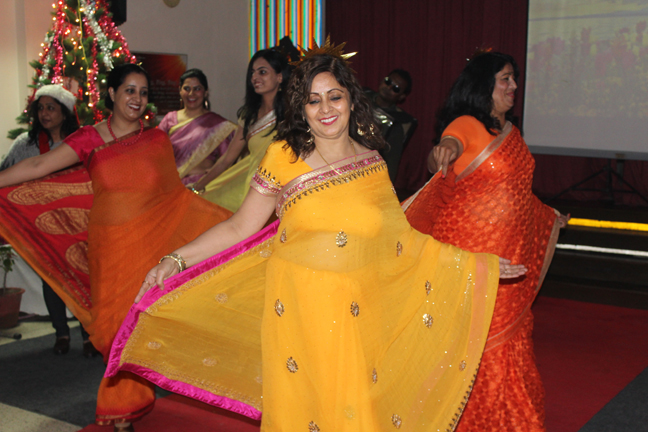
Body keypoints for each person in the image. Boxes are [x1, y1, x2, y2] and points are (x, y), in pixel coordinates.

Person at [106, 43, 528, 431]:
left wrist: (475, 265)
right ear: (301, 107)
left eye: (334, 97)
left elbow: (404, 244)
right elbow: (239, 227)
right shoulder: (284, 157)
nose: (325, 109)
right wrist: (176, 260)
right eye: (313, 100)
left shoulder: (372, 163)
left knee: (352, 414)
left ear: (351, 101)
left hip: (356, 318)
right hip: (296, 312)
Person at [0, 63, 232, 431]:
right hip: (109, 249)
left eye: (143, 92)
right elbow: (39, 165)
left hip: (151, 246)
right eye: (129, 90)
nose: (137, 99)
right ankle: (128, 402)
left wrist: (224, 224)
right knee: (113, 330)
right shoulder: (89, 138)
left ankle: (122, 412)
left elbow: (175, 198)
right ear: (112, 93)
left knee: (140, 327)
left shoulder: (156, 140)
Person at [404, 52, 568, 432]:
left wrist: (546, 214)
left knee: (507, 339)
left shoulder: (511, 134)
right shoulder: (466, 124)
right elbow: (447, 147)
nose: (514, 86)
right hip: (470, 256)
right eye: (505, 79)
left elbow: (514, 193)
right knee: (469, 341)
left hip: (508, 259)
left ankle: (508, 420)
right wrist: (441, 152)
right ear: (483, 84)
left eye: (514, 79)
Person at [0, 84, 99, 357]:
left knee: (84, 276)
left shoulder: (80, 142)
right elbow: (5, 174)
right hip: (42, 227)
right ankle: (61, 334)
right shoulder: (25, 144)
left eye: (51, 108)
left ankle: (89, 335)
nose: (44, 113)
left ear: (64, 113)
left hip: (78, 225)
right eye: (41, 108)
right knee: (51, 279)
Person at [189, 49, 291, 212]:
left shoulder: (292, 114)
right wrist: (197, 187)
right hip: (254, 189)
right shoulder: (249, 116)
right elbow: (227, 159)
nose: (255, 77)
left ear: (279, 77)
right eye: (252, 73)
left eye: (262, 72)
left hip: (285, 189)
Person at [158, 68, 237, 185]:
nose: (191, 94)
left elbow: (227, 161)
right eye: (187, 88)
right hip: (173, 186)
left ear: (205, 92)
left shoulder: (218, 125)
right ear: (180, 91)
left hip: (203, 186)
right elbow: (156, 154)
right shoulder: (169, 120)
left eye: (197, 89)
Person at [364, 69, 417, 187]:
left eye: (396, 88)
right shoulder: (360, 97)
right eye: (388, 82)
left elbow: (391, 162)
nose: (388, 88)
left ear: (401, 96)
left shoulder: (396, 123)